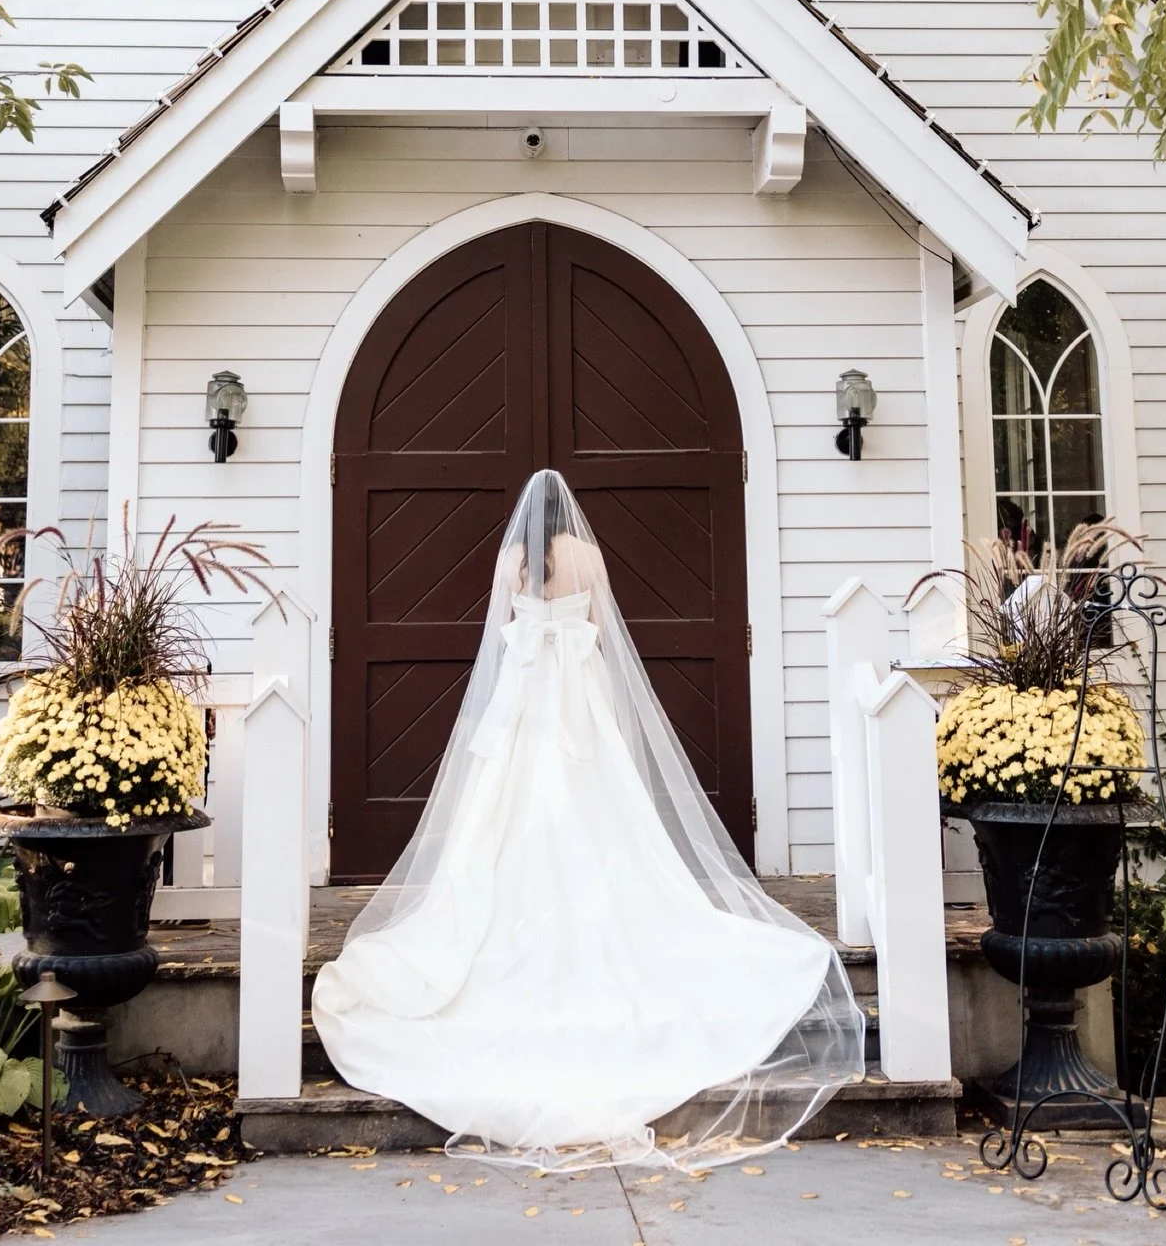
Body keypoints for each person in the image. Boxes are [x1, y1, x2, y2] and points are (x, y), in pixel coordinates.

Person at [312, 469, 864, 1170]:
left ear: (523, 522)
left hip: (524, 700)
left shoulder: (510, 561)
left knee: (504, 822)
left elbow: (498, 637)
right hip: (577, 699)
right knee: (604, 815)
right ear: (567, 517)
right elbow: (602, 633)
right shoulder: (589, 558)